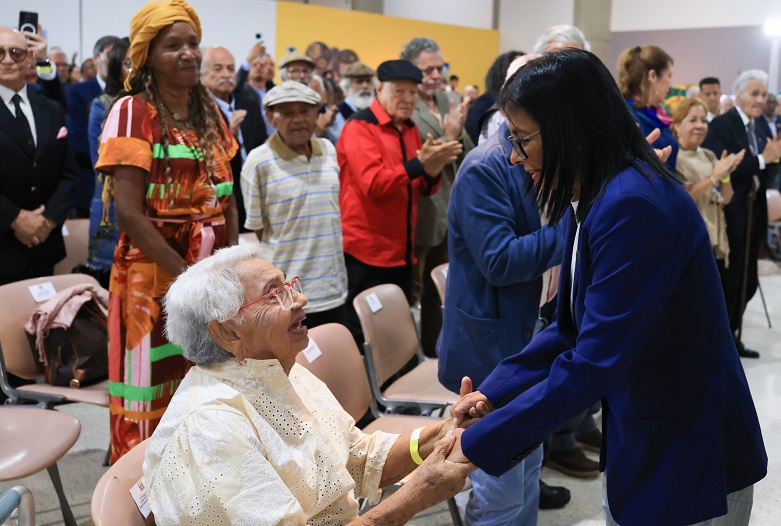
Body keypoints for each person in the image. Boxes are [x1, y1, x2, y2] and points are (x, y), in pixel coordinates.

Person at [449, 49, 767, 526]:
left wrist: (475, 444)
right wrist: (492, 395)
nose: (515, 157)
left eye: (523, 139)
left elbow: (593, 361)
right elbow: (570, 327)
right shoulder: (598, 191)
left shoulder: (630, 204)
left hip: (689, 449)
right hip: (650, 433)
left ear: (569, 130)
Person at [145, 244, 475, 525]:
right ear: (228, 333)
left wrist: (442, 434)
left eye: (289, 286)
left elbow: (357, 460)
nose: (299, 300)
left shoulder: (280, 370)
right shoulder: (211, 427)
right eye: (274, 295)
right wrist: (418, 493)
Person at [94, 0, 239, 462]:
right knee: (146, 399)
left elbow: (227, 196)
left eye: (192, 43)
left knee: (205, 389)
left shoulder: (210, 112)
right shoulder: (132, 111)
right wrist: (188, 279)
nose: (188, 53)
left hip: (209, 275)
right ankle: (135, 499)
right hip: (150, 282)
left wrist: (230, 269)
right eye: (172, 45)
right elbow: (129, 213)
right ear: (147, 57)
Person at [437, 99, 566, 522]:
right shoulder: (485, 168)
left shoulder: (548, 159)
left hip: (532, 332)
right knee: (501, 493)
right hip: (490, 347)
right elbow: (501, 261)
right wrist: (574, 226)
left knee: (526, 475)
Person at [336, 59, 462, 345]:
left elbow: (422, 188)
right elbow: (374, 184)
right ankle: (364, 388)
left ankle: (394, 383)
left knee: (394, 329)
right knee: (364, 333)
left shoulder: (409, 128)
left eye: (412, 93)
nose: (407, 99)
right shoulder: (359, 126)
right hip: (365, 250)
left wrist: (431, 171)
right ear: (379, 89)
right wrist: (421, 165)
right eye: (399, 92)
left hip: (401, 249)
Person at [241, 81, 347, 328]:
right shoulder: (258, 162)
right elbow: (259, 231)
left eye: (305, 111)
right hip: (288, 293)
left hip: (334, 286)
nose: (298, 119)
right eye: (287, 113)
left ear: (316, 114)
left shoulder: (328, 149)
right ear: (271, 117)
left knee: (332, 361)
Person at [402, 36, 473, 357]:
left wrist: (454, 134)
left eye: (439, 68)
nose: (435, 75)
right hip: (419, 211)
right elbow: (422, 159)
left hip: (449, 210)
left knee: (438, 291)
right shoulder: (405, 107)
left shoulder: (447, 99)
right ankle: (403, 361)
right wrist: (448, 136)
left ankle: (432, 356)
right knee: (410, 295)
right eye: (426, 69)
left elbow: (467, 150)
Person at [703, 70, 781, 359]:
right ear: (739, 95)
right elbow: (728, 167)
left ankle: (734, 336)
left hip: (755, 212)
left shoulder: (760, 127)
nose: (760, 100)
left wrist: (770, 160)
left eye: (763, 94)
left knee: (749, 280)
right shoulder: (723, 125)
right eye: (754, 94)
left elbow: (769, 166)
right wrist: (764, 158)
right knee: (730, 279)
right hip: (731, 213)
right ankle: (721, 343)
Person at [0, 27, 78, 286]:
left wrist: (48, 220)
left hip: (44, 243)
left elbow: (67, 173)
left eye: (16, 53)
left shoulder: (51, 108)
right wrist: (15, 218)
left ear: (30, 58)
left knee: (42, 322)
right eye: (0, 53)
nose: (8, 59)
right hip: (3, 239)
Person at [671, 98, 743, 270]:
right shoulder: (673, 158)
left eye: (704, 120)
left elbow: (726, 198)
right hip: (691, 239)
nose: (700, 125)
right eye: (693, 120)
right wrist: (713, 176)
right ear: (677, 126)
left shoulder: (709, 155)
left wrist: (725, 175)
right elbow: (683, 199)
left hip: (716, 236)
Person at [201, 46, 267, 232]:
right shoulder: (199, 110)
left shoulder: (249, 104)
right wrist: (230, 137)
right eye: (218, 68)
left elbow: (261, 142)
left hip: (256, 193)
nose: (227, 74)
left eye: (230, 68)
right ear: (202, 76)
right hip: (223, 199)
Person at [85, 37, 131, 287]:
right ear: (116, 67)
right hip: (112, 206)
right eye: (128, 63)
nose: (135, 70)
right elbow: (101, 165)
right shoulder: (102, 105)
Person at [66, 35, 120, 217]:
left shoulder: (132, 92)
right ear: (96, 59)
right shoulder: (77, 91)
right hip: (90, 183)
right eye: (110, 55)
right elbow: (78, 141)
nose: (115, 62)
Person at [617, 45, 678, 170]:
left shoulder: (652, 114)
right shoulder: (626, 114)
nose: (670, 84)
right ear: (653, 76)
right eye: (669, 76)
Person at [330, 61, 376, 143]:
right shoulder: (337, 114)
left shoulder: (377, 112)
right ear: (347, 86)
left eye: (368, 81)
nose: (365, 86)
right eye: (359, 82)